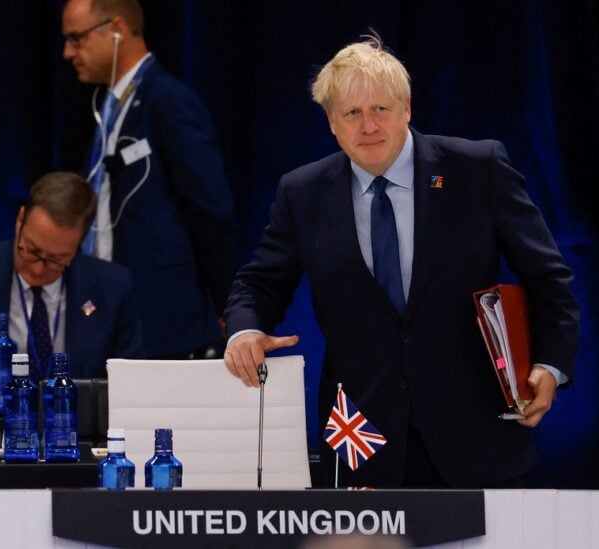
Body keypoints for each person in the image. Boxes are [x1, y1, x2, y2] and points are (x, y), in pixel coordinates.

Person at [222, 35, 579, 488]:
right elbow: (259, 283)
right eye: (352, 113)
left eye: (380, 109)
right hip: (361, 439)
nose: (368, 126)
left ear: (406, 108)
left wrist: (549, 364)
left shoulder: (477, 169)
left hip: (475, 433)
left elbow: (549, 277)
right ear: (332, 122)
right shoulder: (303, 192)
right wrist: (246, 329)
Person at [61, 0, 238, 359]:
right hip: (108, 311)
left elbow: (210, 210)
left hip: (161, 320)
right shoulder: (109, 107)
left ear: (117, 30)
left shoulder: (168, 102)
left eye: (76, 39)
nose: (67, 52)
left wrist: (231, 304)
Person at [0, 172, 142, 386]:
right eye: (31, 251)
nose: (39, 269)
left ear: (78, 246)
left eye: (56, 259)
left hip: (73, 427)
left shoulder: (112, 287)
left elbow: (130, 382)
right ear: (20, 219)